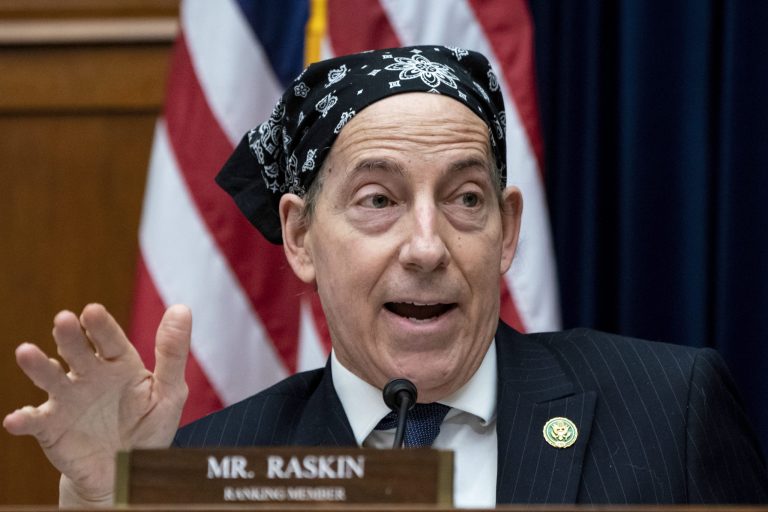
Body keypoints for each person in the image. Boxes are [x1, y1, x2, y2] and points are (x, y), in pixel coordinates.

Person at [4, 46, 768, 507]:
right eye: (379, 200)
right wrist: (103, 506)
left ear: (507, 232)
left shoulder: (671, 412)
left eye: (466, 199)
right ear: (300, 236)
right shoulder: (207, 465)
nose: (428, 246)